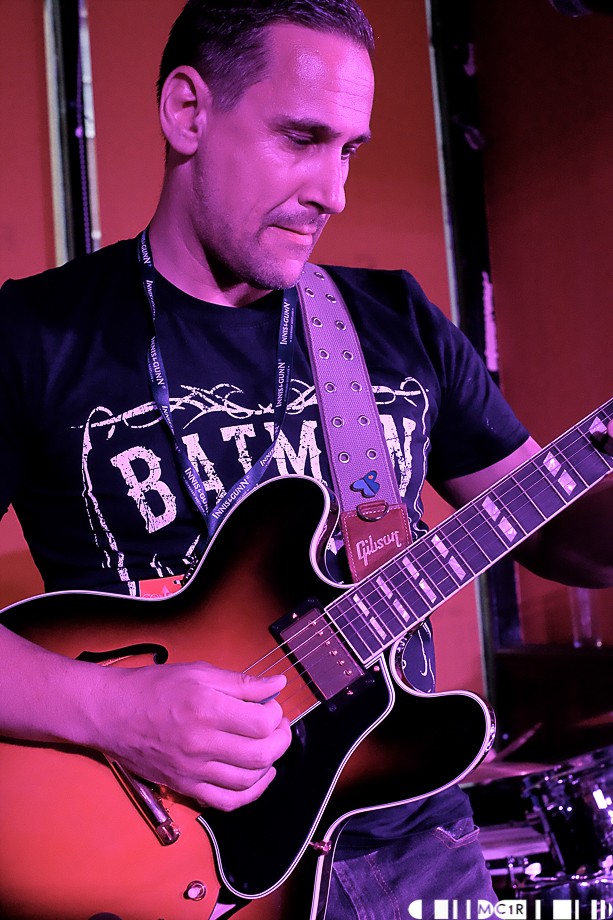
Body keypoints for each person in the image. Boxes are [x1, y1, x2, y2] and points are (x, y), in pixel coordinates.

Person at [0, 1, 611, 918]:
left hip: (412, 846)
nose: (334, 191)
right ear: (188, 111)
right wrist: (118, 713)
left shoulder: (393, 323)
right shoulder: (35, 334)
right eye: (301, 138)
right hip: (155, 850)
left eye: (349, 150)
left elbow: (564, 536)